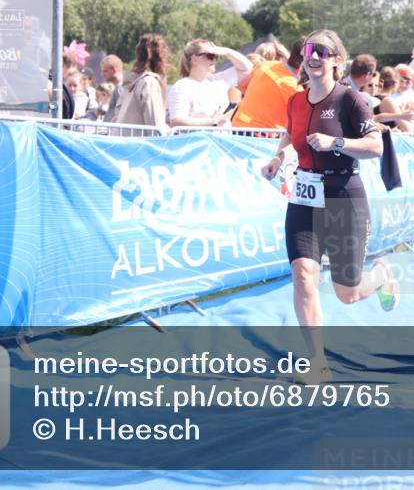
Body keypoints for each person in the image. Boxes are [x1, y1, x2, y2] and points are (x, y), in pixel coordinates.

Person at [260, 29, 399, 384]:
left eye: (322, 51)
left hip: (343, 197)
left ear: (337, 59)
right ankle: (318, 362)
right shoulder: (295, 100)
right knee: (303, 276)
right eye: (308, 49)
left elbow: (375, 146)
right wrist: (278, 158)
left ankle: (381, 277)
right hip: (304, 197)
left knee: (347, 294)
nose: (313, 56)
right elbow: (291, 137)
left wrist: (335, 142)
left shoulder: (351, 100)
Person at [168, 38, 253, 127]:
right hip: (198, 140)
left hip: (222, 139)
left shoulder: (219, 80)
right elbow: (176, 121)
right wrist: (212, 121)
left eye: (216, 56)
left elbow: (247, 68)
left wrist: (226, 51)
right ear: (194, 58)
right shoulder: (181, 87)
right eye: (210, 55)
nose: (214, 60)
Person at [232, 39, 304, 130]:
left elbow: (242, 86)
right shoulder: (295, 87)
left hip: (238, 125)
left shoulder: (266, 65)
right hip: (261, 136)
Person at [114, 33, 170, 132]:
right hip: (139, 144)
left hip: (123, 142)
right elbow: (155, 126)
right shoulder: (149, 83)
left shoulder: (130, 82)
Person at [100, 55, 124, 122]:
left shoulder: (121, 88)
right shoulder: (117, 87)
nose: (103, 74)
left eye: (105, 71)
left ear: (114, 70)